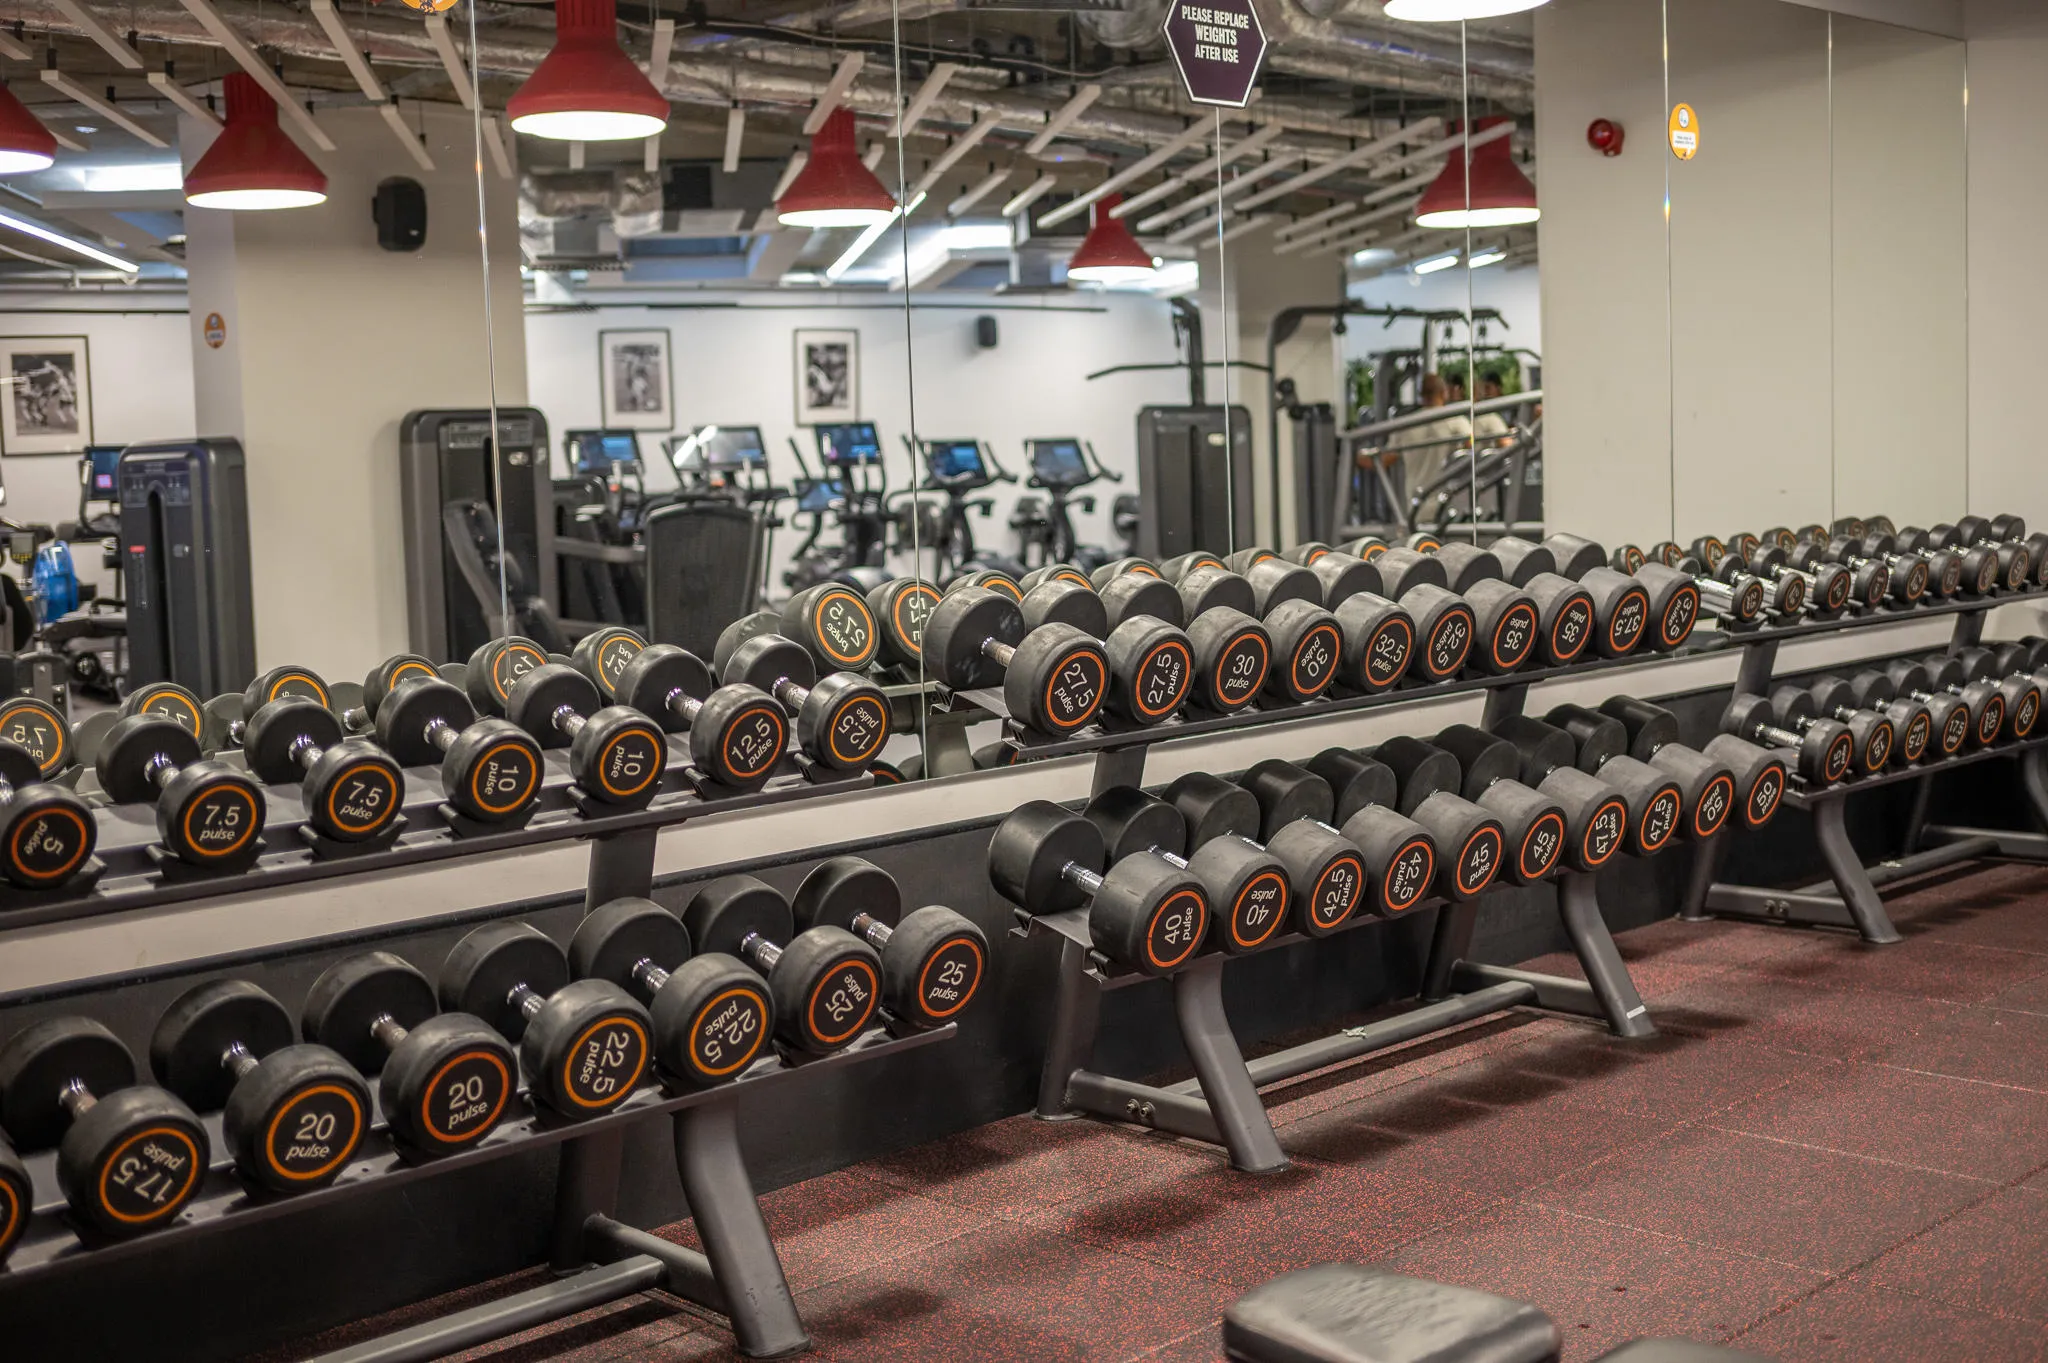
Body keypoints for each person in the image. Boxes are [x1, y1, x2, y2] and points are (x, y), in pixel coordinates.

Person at [1360, 372, 1471, 502]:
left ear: (1421, 395)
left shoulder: (1406, 425)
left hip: (1417, 506)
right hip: (1449, 506)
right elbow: (1473, 450)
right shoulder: (1457, 422)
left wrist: (1353, 456)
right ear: (1444, 393)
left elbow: (1383, 461)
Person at [1473, 372, 1512, 446]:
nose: (1484, 392)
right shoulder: (1482, 408)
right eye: (1482, 388)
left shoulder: (1509, 405)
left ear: (1498, 388)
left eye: (1487, 388)